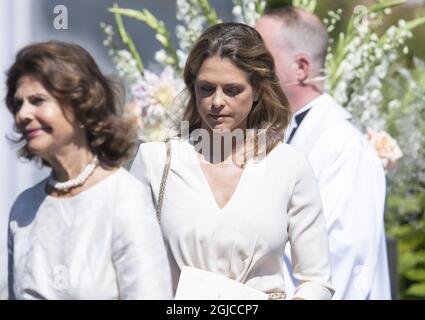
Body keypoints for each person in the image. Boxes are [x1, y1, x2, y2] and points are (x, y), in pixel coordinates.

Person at [131, 22, 334, 300]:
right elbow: (124, 264)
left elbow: (317, 279)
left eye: (232, 90)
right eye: (206, 88)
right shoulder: (156, 161)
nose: (216, 102)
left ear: (258, 90)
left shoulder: (289, 167)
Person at [4, 41, 172, 299]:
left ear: (81, 104)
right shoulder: (24, 208)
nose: (22, 115)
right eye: (19, 104)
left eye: (38, 100)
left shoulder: (124, 199)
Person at [256, 7, 391, 299]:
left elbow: (344, 258)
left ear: (301, 68)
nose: (245, 66)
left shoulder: (343, 146)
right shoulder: (276, 133)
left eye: (260, 56)